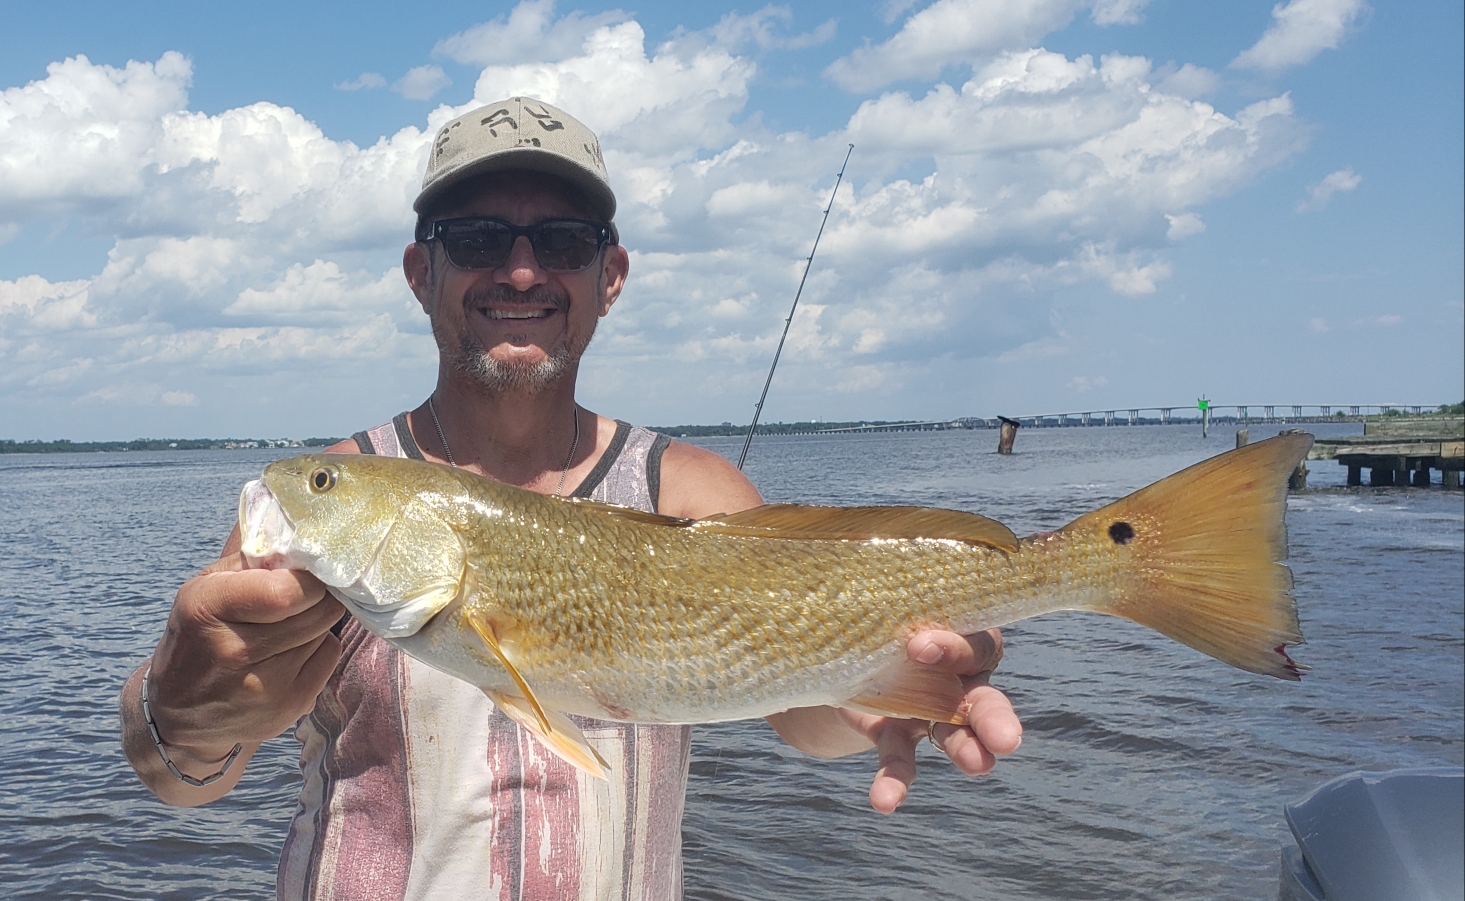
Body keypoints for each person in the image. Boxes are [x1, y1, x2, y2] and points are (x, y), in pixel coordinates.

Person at [119, 97, 1023, 900]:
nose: (519, 272)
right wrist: (182, 706)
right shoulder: (335, 497)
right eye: (474, 239)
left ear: (609, 277)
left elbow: (800, 712)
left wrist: (881, 690)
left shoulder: (697, 492)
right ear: (418, 273)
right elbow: (185, 775)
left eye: (561, 242)